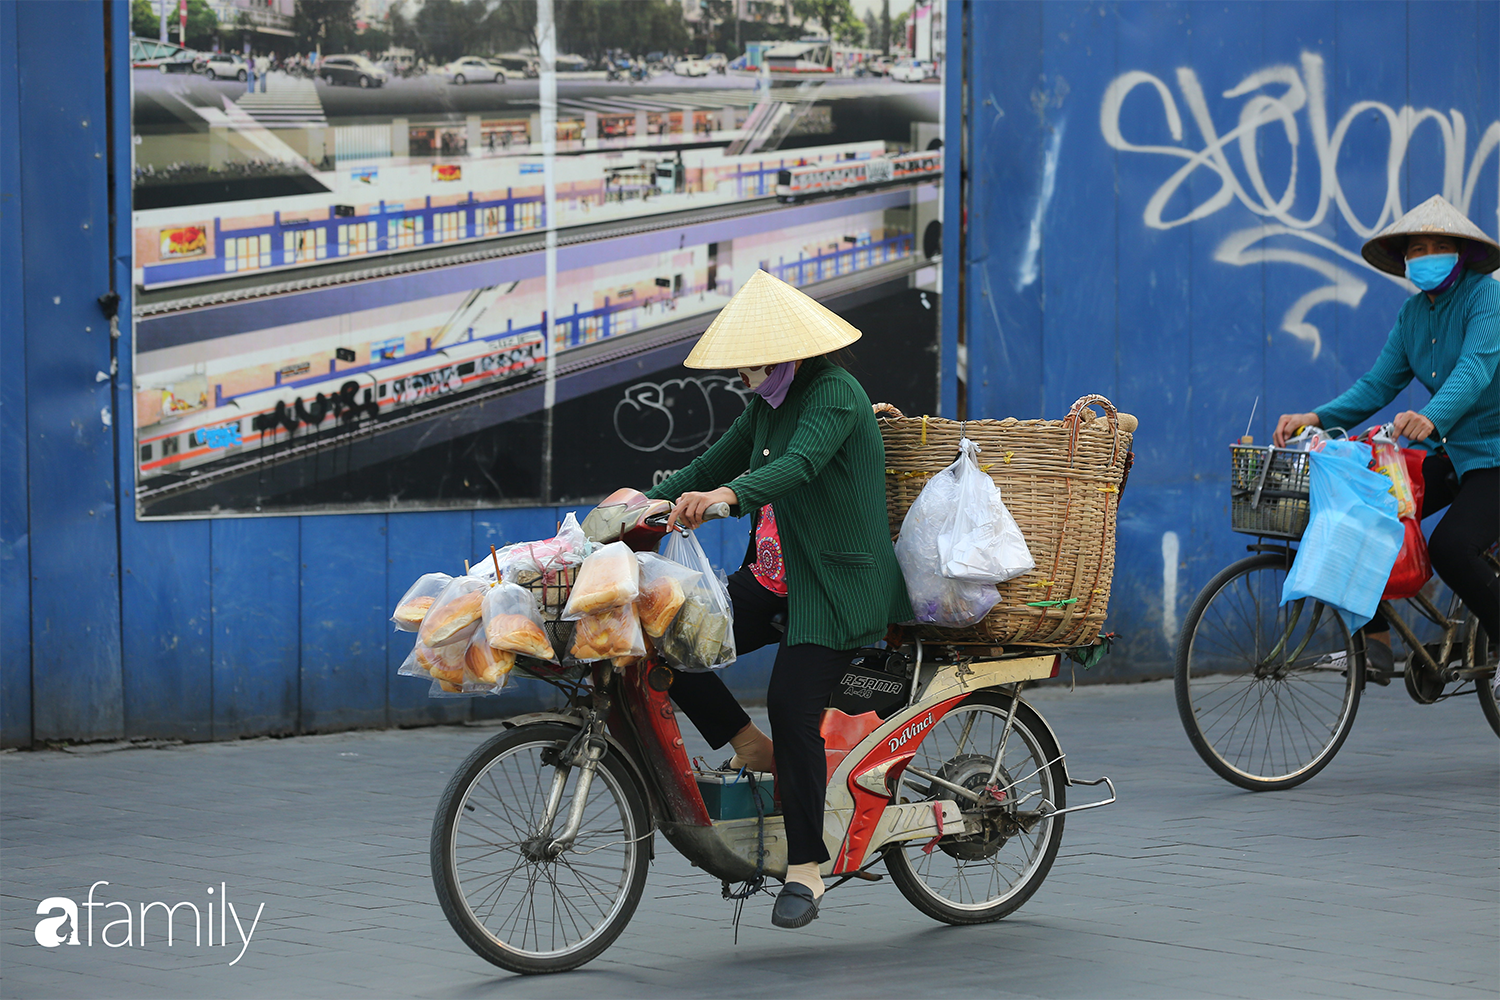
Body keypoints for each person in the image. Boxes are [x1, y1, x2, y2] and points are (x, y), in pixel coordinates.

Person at [646, 269, 911, 930]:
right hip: (774, 578)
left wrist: (729, 498)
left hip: (837, 586)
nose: (740, 371)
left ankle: (806, 868)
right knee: (666, 642)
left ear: (781, 352)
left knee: (793, 703)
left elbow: (798, 465)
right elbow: (712, 463)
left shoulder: (835, 394)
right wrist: (649, 500)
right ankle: (747, 745)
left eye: (747, 360)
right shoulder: (766, 402)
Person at [1273, 194, 1500, 688]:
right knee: (1365, 513)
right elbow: (1378, 384)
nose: (1427, 253)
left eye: (1441, 245)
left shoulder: (1486, 296)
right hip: (1454, 455)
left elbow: (1476, 369)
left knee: (1453, 547)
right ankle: (1375, 644)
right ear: (1405, 261)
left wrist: (1431, 416)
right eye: (1418, 247)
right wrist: (1315, 415)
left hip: (1495, 456)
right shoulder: (1412, 315)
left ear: (1463, 255)